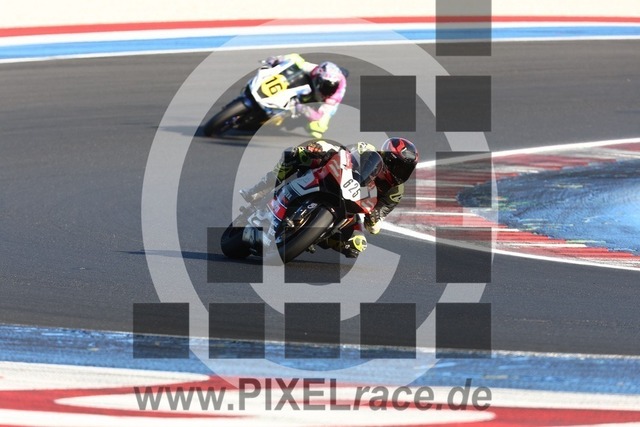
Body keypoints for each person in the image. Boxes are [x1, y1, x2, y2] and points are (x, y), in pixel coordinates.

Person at [240, 138, 419, 258]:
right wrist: (320, 149)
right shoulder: (367, 151)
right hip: (336, 177)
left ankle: (312, 237)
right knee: (296, 153)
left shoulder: (395, 190)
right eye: (398, 166)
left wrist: (374, 218)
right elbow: (343, 153)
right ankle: (262, 188)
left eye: (406, 170)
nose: (400, 173)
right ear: (387, 158)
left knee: (356, 244)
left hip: (353, 206)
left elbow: (378, 217)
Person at [263, 53, 347, 138]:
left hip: (323, 104)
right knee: (294, 68)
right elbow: (296, 59)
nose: (327, 90)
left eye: (331, 88)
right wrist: (278, 59)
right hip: (310, 87)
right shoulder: (315, 71)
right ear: (319, 78)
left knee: (318, 128)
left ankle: (299, 122)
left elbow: (317, 116)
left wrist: (302, 108)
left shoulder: (332, 99)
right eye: (325, 86)